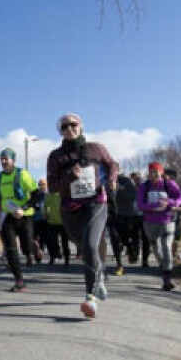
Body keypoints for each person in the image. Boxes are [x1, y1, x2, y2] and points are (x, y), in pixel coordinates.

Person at [46, 113, 119, 319]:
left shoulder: (96, 148)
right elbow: (52, 187)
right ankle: (99, 275)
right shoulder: (56, 156)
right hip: (70, 208)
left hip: (96, 203)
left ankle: (90, 298)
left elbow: (113, 164)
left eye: (73, 124)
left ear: (81, 126)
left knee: (90, 245)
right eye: (64, 126)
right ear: (60, 131)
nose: (70, 129)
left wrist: (112, 179)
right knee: (85, 248)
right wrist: (70, 175)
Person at [0, 148, 39, 292]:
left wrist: (23, 209)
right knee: (11, 249)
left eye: (6, 158)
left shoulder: (23, 174)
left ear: (13, 160)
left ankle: (33, 247)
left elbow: (36, 194)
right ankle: (19, 281)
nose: (3, 161)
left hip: (25, 216)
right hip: (9, 216)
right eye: (2, 159)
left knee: (26, 247)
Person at [137, 162, 181, 291]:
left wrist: (170, 202)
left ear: (161, 172)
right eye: (151, 172)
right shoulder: (144, 186)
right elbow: (140, 205)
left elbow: (180, 198)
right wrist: (155, 205)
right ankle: (163, 267)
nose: (153, 175)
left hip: (167, 220)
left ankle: (167, 279)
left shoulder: (169, 184)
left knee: (166, 247)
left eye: (156, 172)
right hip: (150, 221)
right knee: (156, 248)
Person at [112, 173, 140, 274]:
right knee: (115, 238)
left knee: (124, 238)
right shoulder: (103, 180)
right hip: (110, 215)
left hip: (125, 215)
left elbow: (131, 198)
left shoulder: (126, 181)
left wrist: (119, 190)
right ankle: (119, 265)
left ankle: (130, 247)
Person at [164, 168, 181, 263]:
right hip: (162, 218)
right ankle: (166, 257)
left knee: (176, 238)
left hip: (176, 218)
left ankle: (173, 256)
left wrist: (177, 208)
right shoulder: (160, 189)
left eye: (166, 176)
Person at [43, 186, 71, 265]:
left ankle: (67, 258)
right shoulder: (49, 195)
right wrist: (45, 213)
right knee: (53, 242)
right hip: (52, 222)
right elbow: (45, 206)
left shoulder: (63, 195)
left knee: (65, 242)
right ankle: (54, 256)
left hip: (63, 223)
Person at [131, 171, 152, 266]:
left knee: (145, 239)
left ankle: (145, 260)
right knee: (135, 238)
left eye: (138, 178)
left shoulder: (146, 188)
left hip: (145, 216)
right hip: (134, 216)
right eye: (134, 179)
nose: (136, 180)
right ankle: (136, 255)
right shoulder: (130, 188)